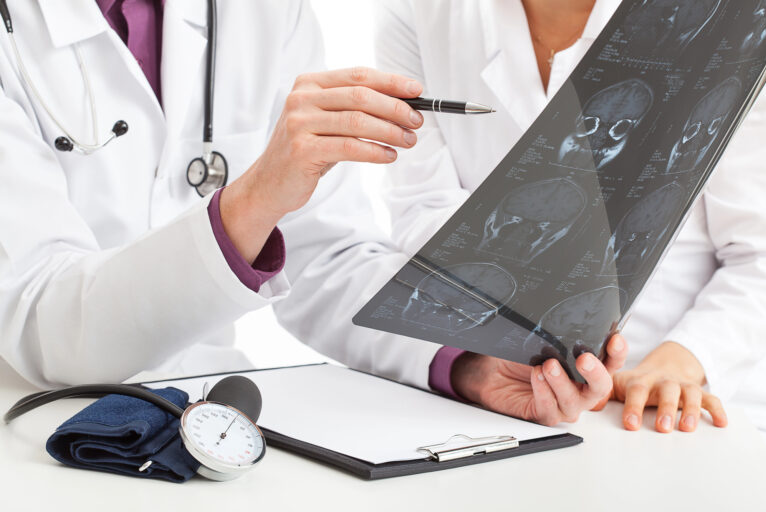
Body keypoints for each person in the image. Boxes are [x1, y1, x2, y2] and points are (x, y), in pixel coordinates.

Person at [0, 0, 624, 428]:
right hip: (36, 428)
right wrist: (253, 199)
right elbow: (41, 320)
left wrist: (468, 360)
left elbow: (324, 254)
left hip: (213, 422)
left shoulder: (262, 11)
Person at [373, 0, 766, 434]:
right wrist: (490, 342)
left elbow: (758, 255)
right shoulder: (419, 14)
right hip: (507, 387)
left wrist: (680, 360)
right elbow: (422, 213)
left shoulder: (731, 22)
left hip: (670, 399)